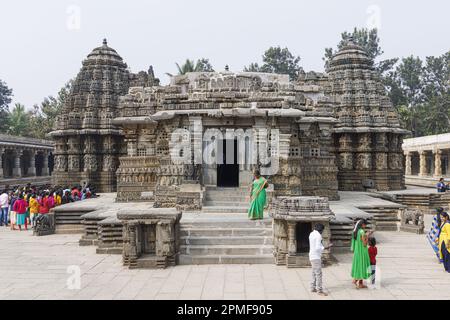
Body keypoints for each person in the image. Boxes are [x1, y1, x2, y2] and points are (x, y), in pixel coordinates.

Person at [309, 223, 333, 296]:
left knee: (314, 272)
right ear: (321, 230)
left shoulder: (312, 233)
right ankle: (319, 290)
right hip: (316, 256)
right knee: (319, 274)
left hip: (311, 255)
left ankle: (312, 287)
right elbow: (317, 247)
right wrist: (326, 247)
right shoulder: (318, 236)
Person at [351, 219, 372, 289]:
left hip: (357, 251)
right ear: (362, 224)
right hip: (362, 251)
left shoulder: (355, 231)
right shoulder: (362, 231)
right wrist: (368, 235)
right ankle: (355, 280)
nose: (365, 226)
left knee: (359, 265)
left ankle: (360, 283)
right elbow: (365, 244)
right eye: (365, 224)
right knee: (362, 265)